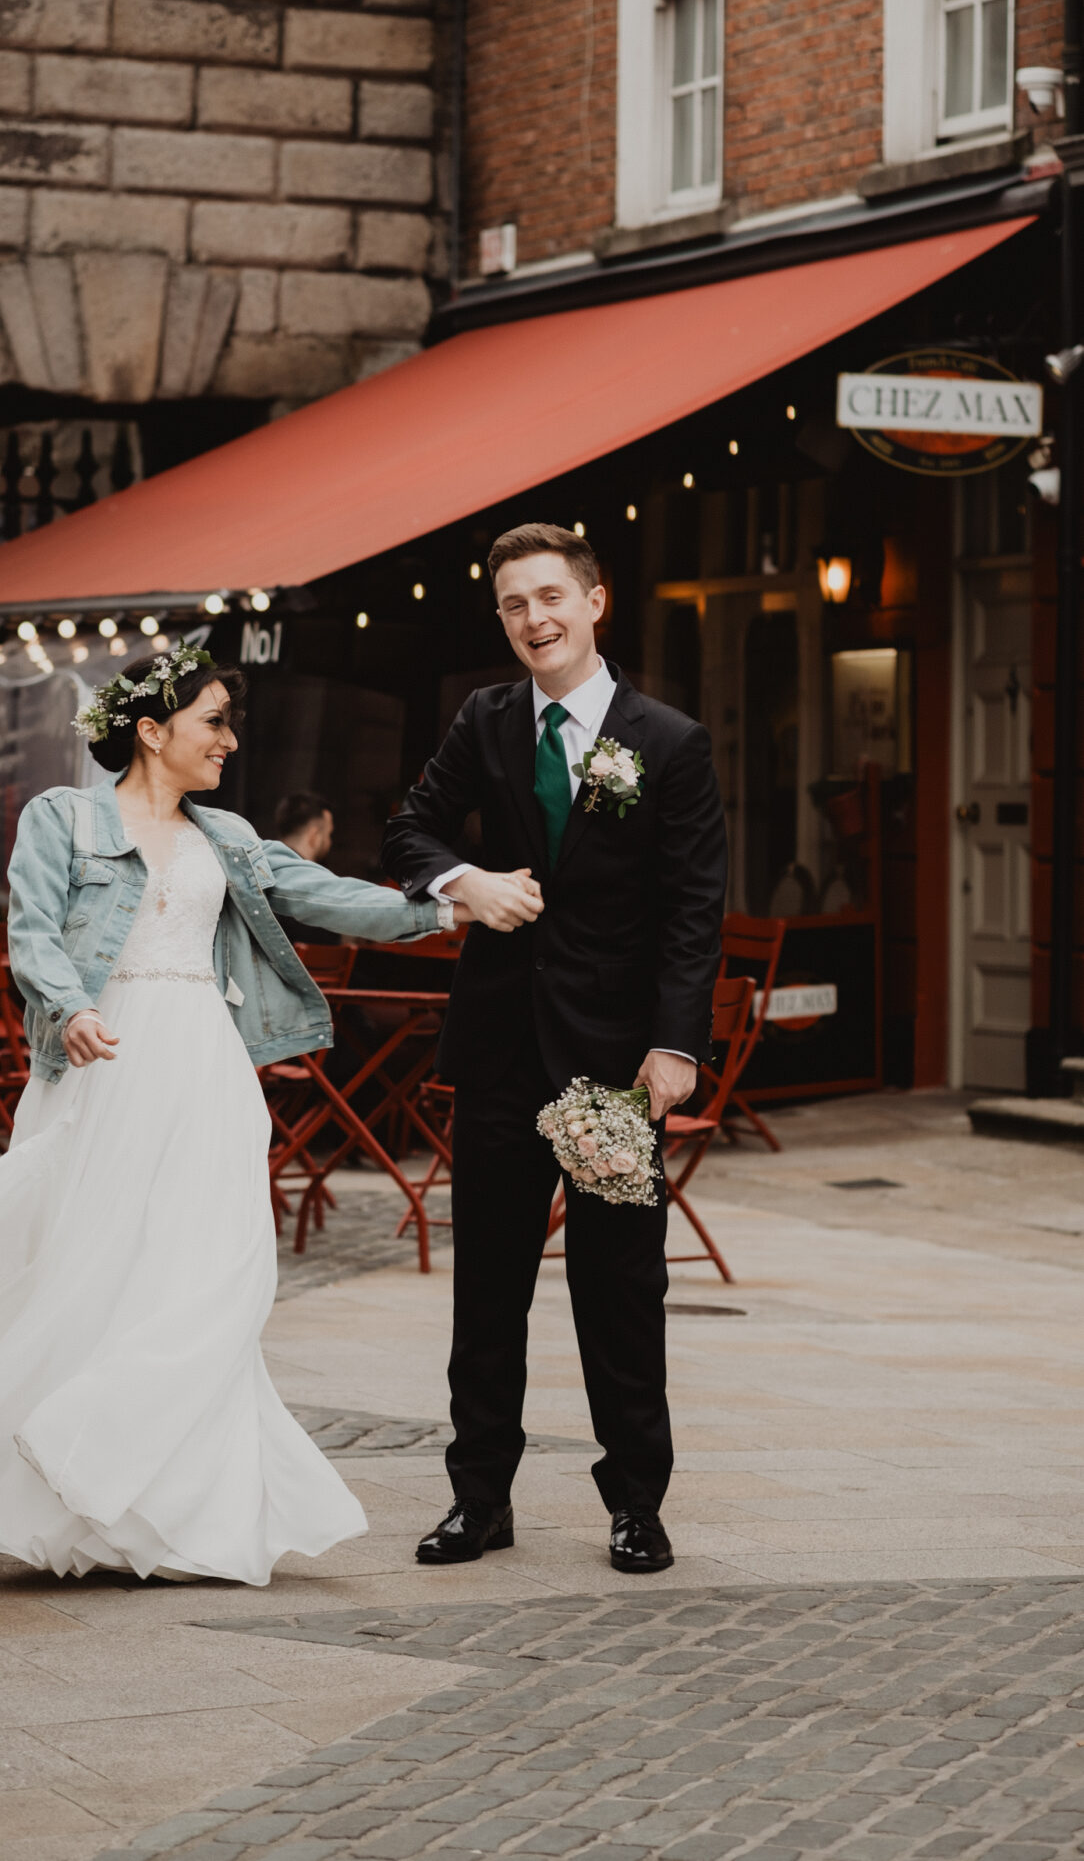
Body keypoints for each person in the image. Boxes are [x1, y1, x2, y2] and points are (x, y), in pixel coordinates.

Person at [0, 644, 471, 1584]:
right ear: (153, 731)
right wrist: (69, 1006)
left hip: (205, 1060)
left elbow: (323, 895)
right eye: (213, 721)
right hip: (105, 1058)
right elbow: (32, 930)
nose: (229, 740)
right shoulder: (64, 817)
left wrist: (447, 911)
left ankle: (140, 1476)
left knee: (219, 1268)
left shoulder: (230, 834)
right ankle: (79, 1470)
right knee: (97, 1264)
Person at [381, 524, 727, 1575]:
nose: (533, 620)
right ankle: (478, 1499)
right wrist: (462, 883)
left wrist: (675, 1043)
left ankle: (636, 1504)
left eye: (548, 598)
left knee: (617, 1287)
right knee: (486, 1286)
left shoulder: (666, 742)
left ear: (593, 602)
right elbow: (408, 832)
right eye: (513, 606)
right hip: (494, 1052)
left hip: (615, 1065)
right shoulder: (484, 721)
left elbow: (692, 910)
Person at [272, 792, 338, 946]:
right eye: (329, 834)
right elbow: (329, 943)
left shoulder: (256, 868)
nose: (329, 842)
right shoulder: (315, 882)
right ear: (314, 835)